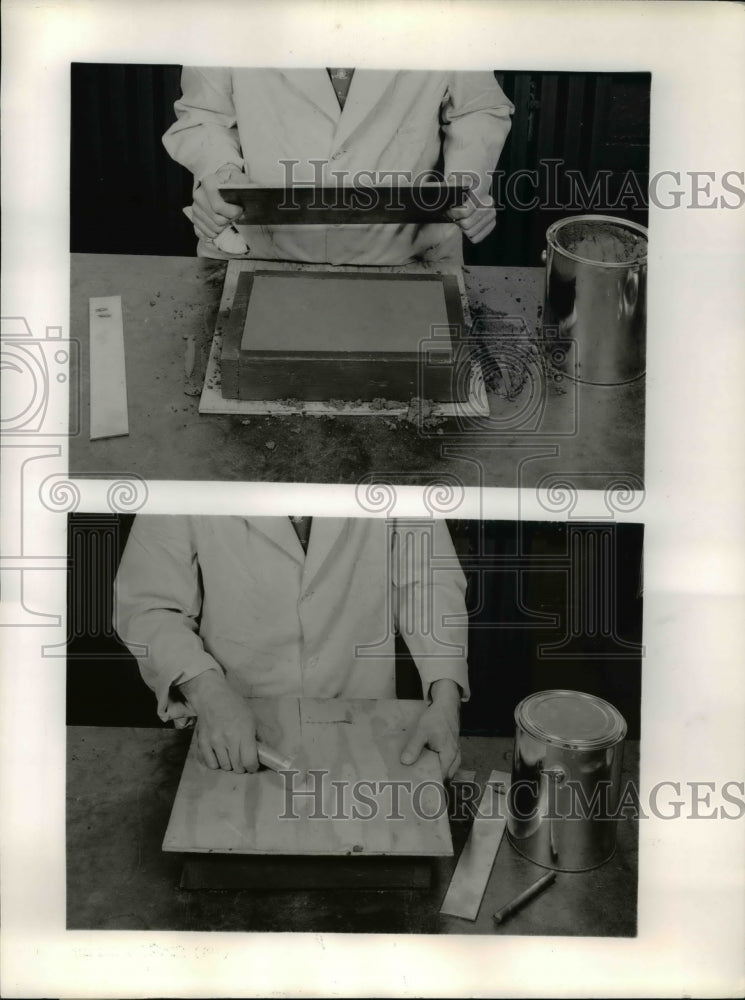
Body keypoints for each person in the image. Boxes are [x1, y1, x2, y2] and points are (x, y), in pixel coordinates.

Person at [115, 515, 469, 780]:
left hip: (367, 722)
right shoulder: (191, 452)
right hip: (235, 729)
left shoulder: (390, 442)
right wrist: (207, 693)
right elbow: (149, 606)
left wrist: (446, 696)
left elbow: (428, 581)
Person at [163, 68, 514, 265]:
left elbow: (477, 108)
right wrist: (219, 174)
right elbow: (204, 113)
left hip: (406, 253)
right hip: (261, 252)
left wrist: (467, 180)